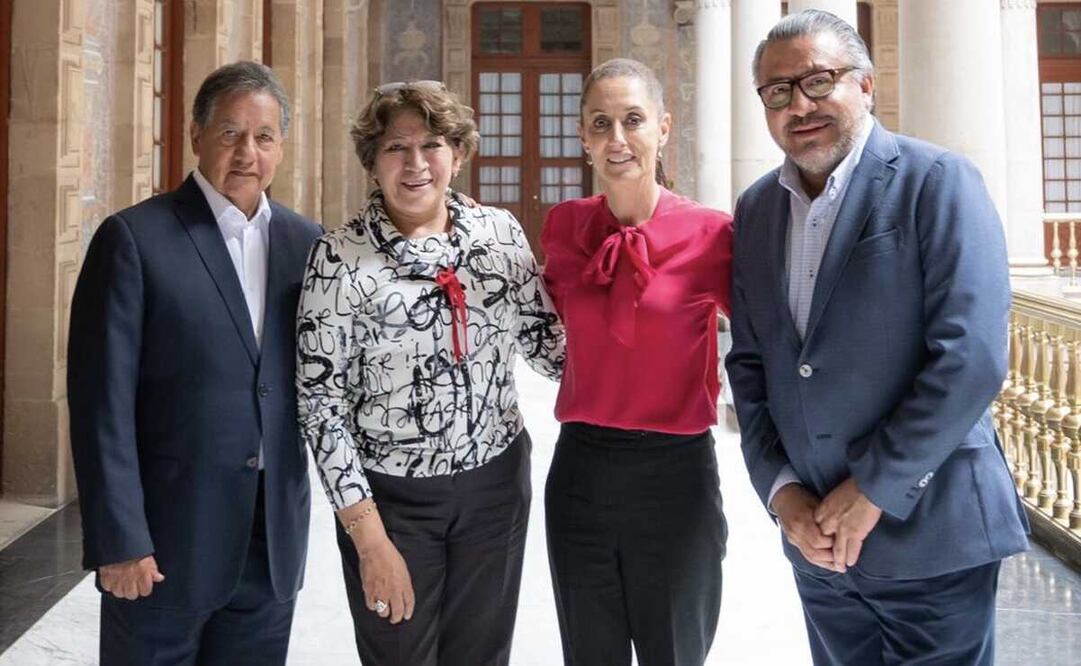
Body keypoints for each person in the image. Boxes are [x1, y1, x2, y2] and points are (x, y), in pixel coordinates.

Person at [726, 10, 1030, 665]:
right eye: (776, 92)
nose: (797, 105)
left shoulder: (936, 181)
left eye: (817, 81)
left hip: (930, 533)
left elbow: (970, 360)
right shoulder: (755, 209)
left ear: (865, 85)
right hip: (816, 543)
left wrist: (870, 493)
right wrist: (783, 496)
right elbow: (750, 364)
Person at [296, 80, 564, 666]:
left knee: (481, 655)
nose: (416, 164)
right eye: (396, 148)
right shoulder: (338, 258)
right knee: (399, 653)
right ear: (373, 164)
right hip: (393, 504)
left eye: (433, 144)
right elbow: (321, 406)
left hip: (496, 487)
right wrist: (368, 537)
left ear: (458, 154)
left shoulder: (500, 235)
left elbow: (550, 351)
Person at [67, 61, 322, 666]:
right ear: (196, 136)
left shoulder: (307, 244)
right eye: (230, 133)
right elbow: (101, 404)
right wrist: (120, 540)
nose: (247, 152)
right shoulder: (134, 239)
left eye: (263, 137)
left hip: (270, 548)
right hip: (162, 551)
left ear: (282, 146)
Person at [540, 58, 732, 666]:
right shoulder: (564, 226)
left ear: (664, 129)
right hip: (581, 471)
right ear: (583, 136)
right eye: (601, 123)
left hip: (676, 477)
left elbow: (772, 342)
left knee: (674, 653)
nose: (616, 139)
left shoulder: (712, 233)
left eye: (633, 120)